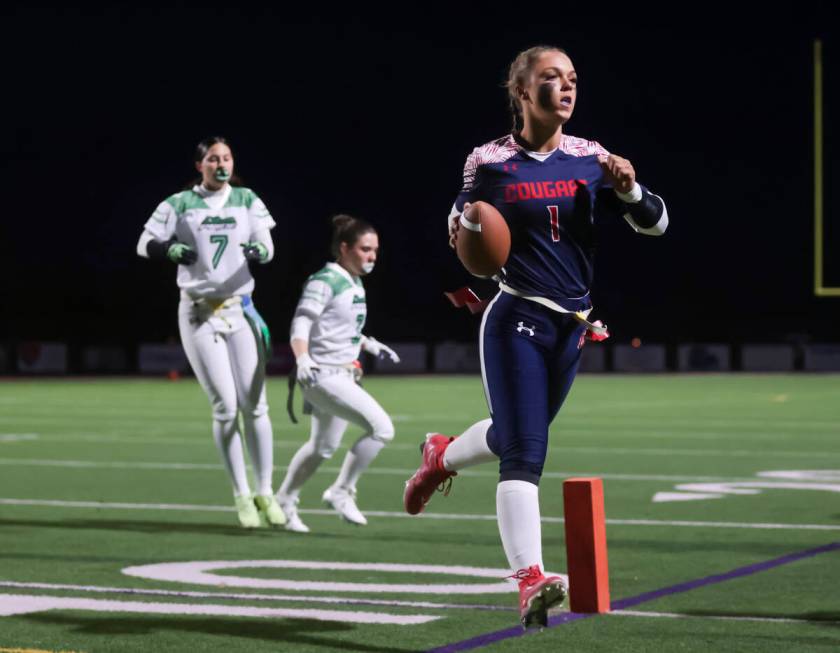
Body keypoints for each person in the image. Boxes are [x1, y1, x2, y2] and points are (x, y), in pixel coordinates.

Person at [403, 46, 669, 628]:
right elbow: (466, 233)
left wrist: (627, 190)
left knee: (512, 435)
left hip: (573, 325)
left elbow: (657, 224)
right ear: (523, 92)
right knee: (526, 452)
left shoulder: (592, 157)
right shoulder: (489, 161)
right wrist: (466, 227)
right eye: (552, 78)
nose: (567, 87)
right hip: (516, 316)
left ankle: (440, 455)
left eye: (573, 78)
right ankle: (529, 578)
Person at [136, 136, 286, 529]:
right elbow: (143, 243)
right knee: (226, 407)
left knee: (256, 406)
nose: (221, 164)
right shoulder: (179, 203)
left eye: (227, 157)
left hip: (241, 309)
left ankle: (265, 490)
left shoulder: (247, 198)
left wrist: (259, 252)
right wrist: (166, 250)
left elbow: (268, 244)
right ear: (199, 165)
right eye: (213, 158)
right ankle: (241, 494)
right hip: (199, 313)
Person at [276, 214, 400, 533]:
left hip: (342, 374)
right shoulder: (326, 280)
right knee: (381, 429)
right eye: (365, 249)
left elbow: (337, 328)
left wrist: (369, 345)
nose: (372, 256)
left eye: (374, 250)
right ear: (344, 248)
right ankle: (342, 490)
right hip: (322, 376)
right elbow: (301, 323)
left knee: (322, 448)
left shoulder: (352, 281)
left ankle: (284, 500)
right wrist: (302, 358)